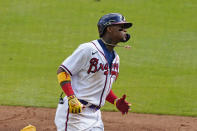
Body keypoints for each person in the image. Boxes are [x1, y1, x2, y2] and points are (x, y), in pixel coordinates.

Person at [55, 13, 132, 131]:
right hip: (75, 113)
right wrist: (71, 98)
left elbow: (101, 86)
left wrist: (115, 101)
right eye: (121, 27)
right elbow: (63, 71)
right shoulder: (88, 49)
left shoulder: (116, 58)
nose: (125, 30)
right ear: (109, 29)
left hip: (95, 116)